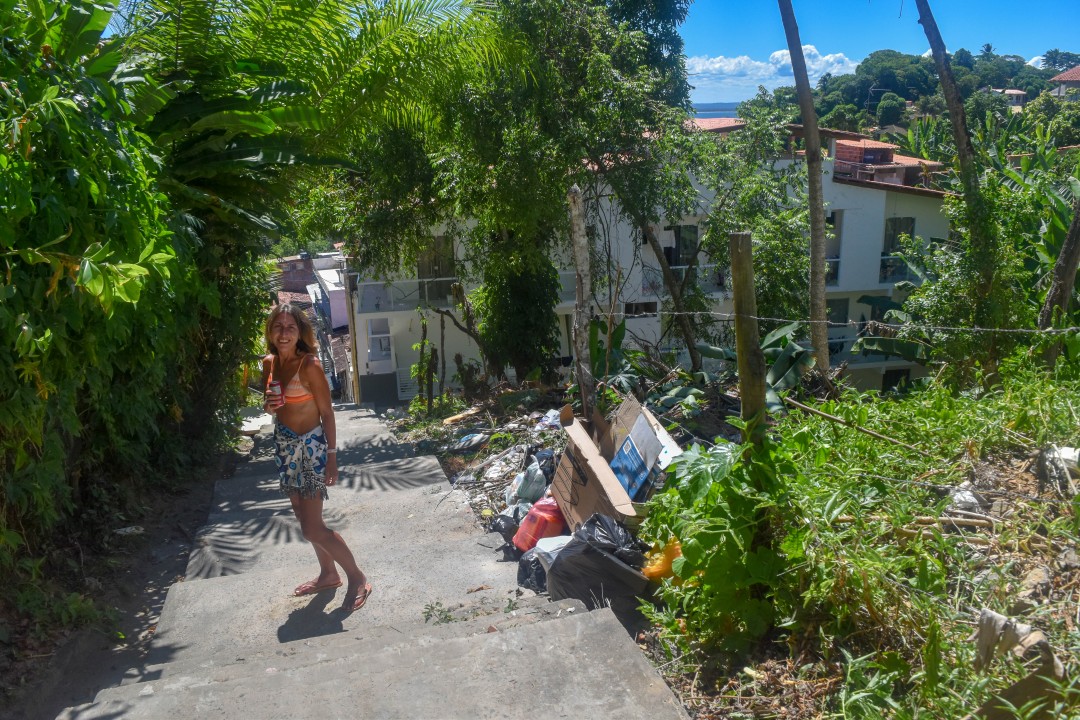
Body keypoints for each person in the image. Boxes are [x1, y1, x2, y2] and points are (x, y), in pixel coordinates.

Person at [261, 303, 372, 612]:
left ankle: (357, 577)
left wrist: (332, 456)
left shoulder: (309, 365)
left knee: (312, 527)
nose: (284, 334)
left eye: (290, 328)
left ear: (300, 333)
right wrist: (269, 407)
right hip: (286, 447)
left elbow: (327, 413)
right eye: (278, 327)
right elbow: (271, 406)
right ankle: (328, 574)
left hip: (311, 449)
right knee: (303, 518)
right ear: (271, 331)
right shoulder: (269, 363)